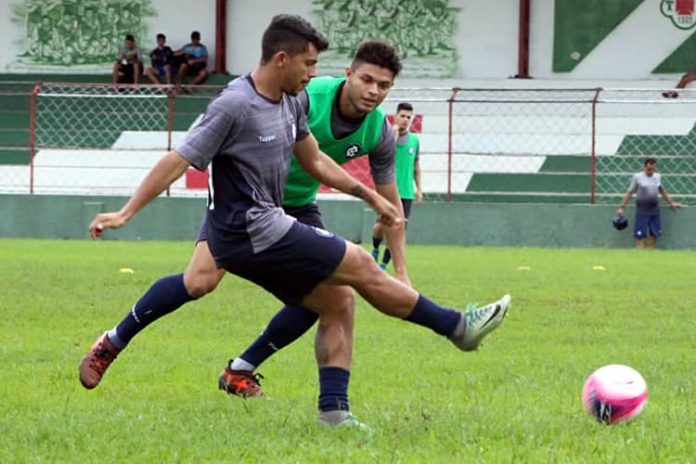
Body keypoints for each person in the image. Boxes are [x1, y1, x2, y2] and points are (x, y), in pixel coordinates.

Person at [79, 14, 510, 428]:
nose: (312, 72)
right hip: (249, 223)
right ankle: (457, 326)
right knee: (349, 265)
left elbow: (315, 160)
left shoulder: (290, 102)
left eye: (384, 85)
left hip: (275, 217)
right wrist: (125, 212)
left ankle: (329, 411)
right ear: (283, 60)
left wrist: (367, 196)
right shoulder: (238, 103)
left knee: (334, 300)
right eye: (309, 63)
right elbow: (178, 159)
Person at [371, 102, 422, 269]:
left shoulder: (414, 140)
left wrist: (419, 189)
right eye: (402, 116)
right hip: (388, 189)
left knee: (398, 230)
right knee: (380, 226)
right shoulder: (388, 134)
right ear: (396, 116)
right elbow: (385, 153)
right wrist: (393, 134)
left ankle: (383, 265)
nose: (406, 119)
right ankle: (375, 248)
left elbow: (416, 166)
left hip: (406, 192)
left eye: (409, 117)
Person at [616, 157, 682, 248]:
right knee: (639, 235)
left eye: (653, 169)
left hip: (654, 210)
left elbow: (662, 191)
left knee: (654, 234)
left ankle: (650, 256)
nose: (651, 171)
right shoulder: (637, 177)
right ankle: (640, 256)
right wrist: (622, 207)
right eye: (649, 169)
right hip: (642, 210)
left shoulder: (657, 177)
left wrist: (671, 203)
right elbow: (630, 192)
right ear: (645, 167)